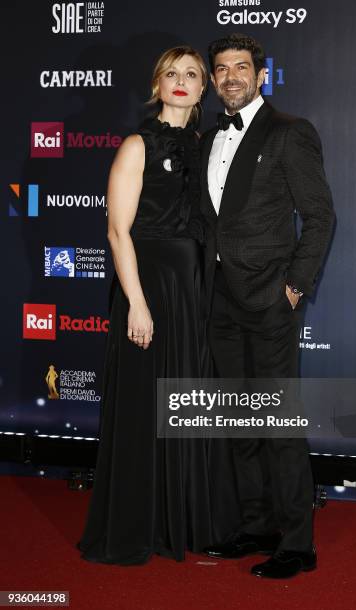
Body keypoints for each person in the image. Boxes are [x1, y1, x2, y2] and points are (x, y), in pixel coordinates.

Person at [201, 34, 335, 579]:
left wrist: (294, 287)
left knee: (279, 423)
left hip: (271, 301)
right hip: (219, 303)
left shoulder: (289, 133)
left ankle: (298, 544)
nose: (231, 76)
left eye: (242, 67)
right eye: (221, 68)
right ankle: (257, 525)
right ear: (212, 80)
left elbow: (320, 217)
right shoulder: (209, 135)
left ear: (261, 75)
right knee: (240, 421)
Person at [77, 46, 215, 565]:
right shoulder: (137, 144)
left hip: (192, 287)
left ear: (203, 88)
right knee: (144, 406)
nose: (181, 82)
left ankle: (177, 521)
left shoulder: (205, 145)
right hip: (148, 285)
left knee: (182, 405)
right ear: (157, 85)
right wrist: (136, 302)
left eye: (191, 75)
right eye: (171, 74)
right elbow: (117, 231)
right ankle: (136, 525)